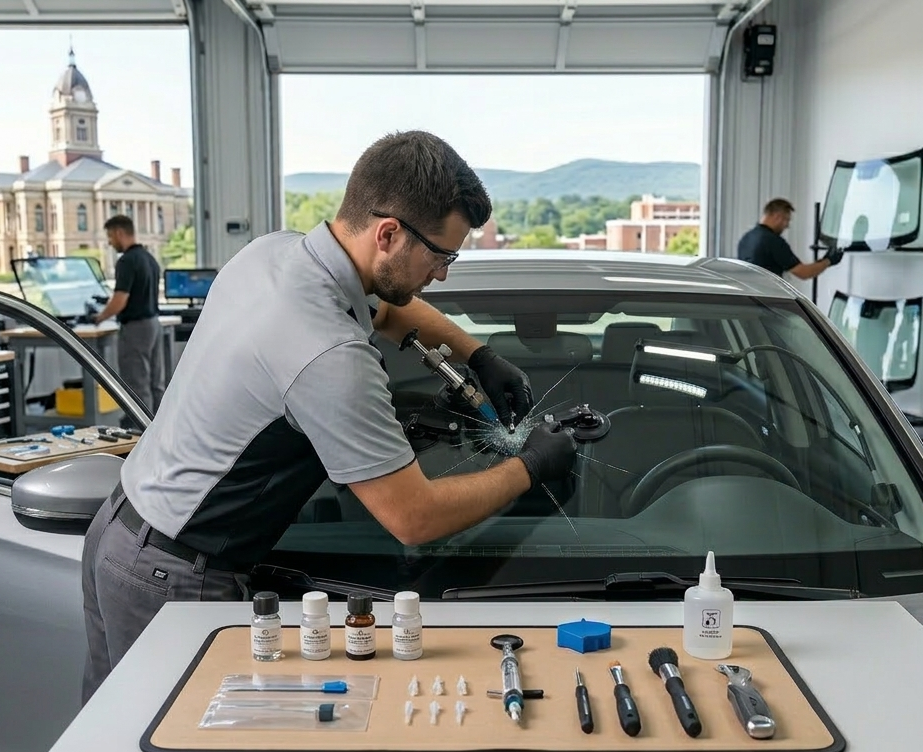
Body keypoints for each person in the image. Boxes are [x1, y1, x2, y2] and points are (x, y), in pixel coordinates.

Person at [79, 130, 579, 702]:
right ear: (388, 233)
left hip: (121, 533)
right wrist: (534, 463)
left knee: (110, 738)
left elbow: (388, 308)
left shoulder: (273, 253)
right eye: (442, 256)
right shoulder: (330, 353)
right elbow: (412, 518)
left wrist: (477, 354)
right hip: (175, 577)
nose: (443, 274)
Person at [95, 215, 166, 418]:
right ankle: (159, 431)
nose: (109, 242)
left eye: (110, 237)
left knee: (136, 384)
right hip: (153, 324)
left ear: (119, 233)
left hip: (135, 329)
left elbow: (120, 300)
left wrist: (99, 318)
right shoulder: (149, 258)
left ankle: (139, 436)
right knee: (155, 383)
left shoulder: (126, 261)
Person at [735, 198, 842, 279]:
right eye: (786, 220)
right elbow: (804, 273)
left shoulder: (746, 238)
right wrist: (828, 260)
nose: (787, 225)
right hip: (768, 301)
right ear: (777, 216)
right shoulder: (773, 241)